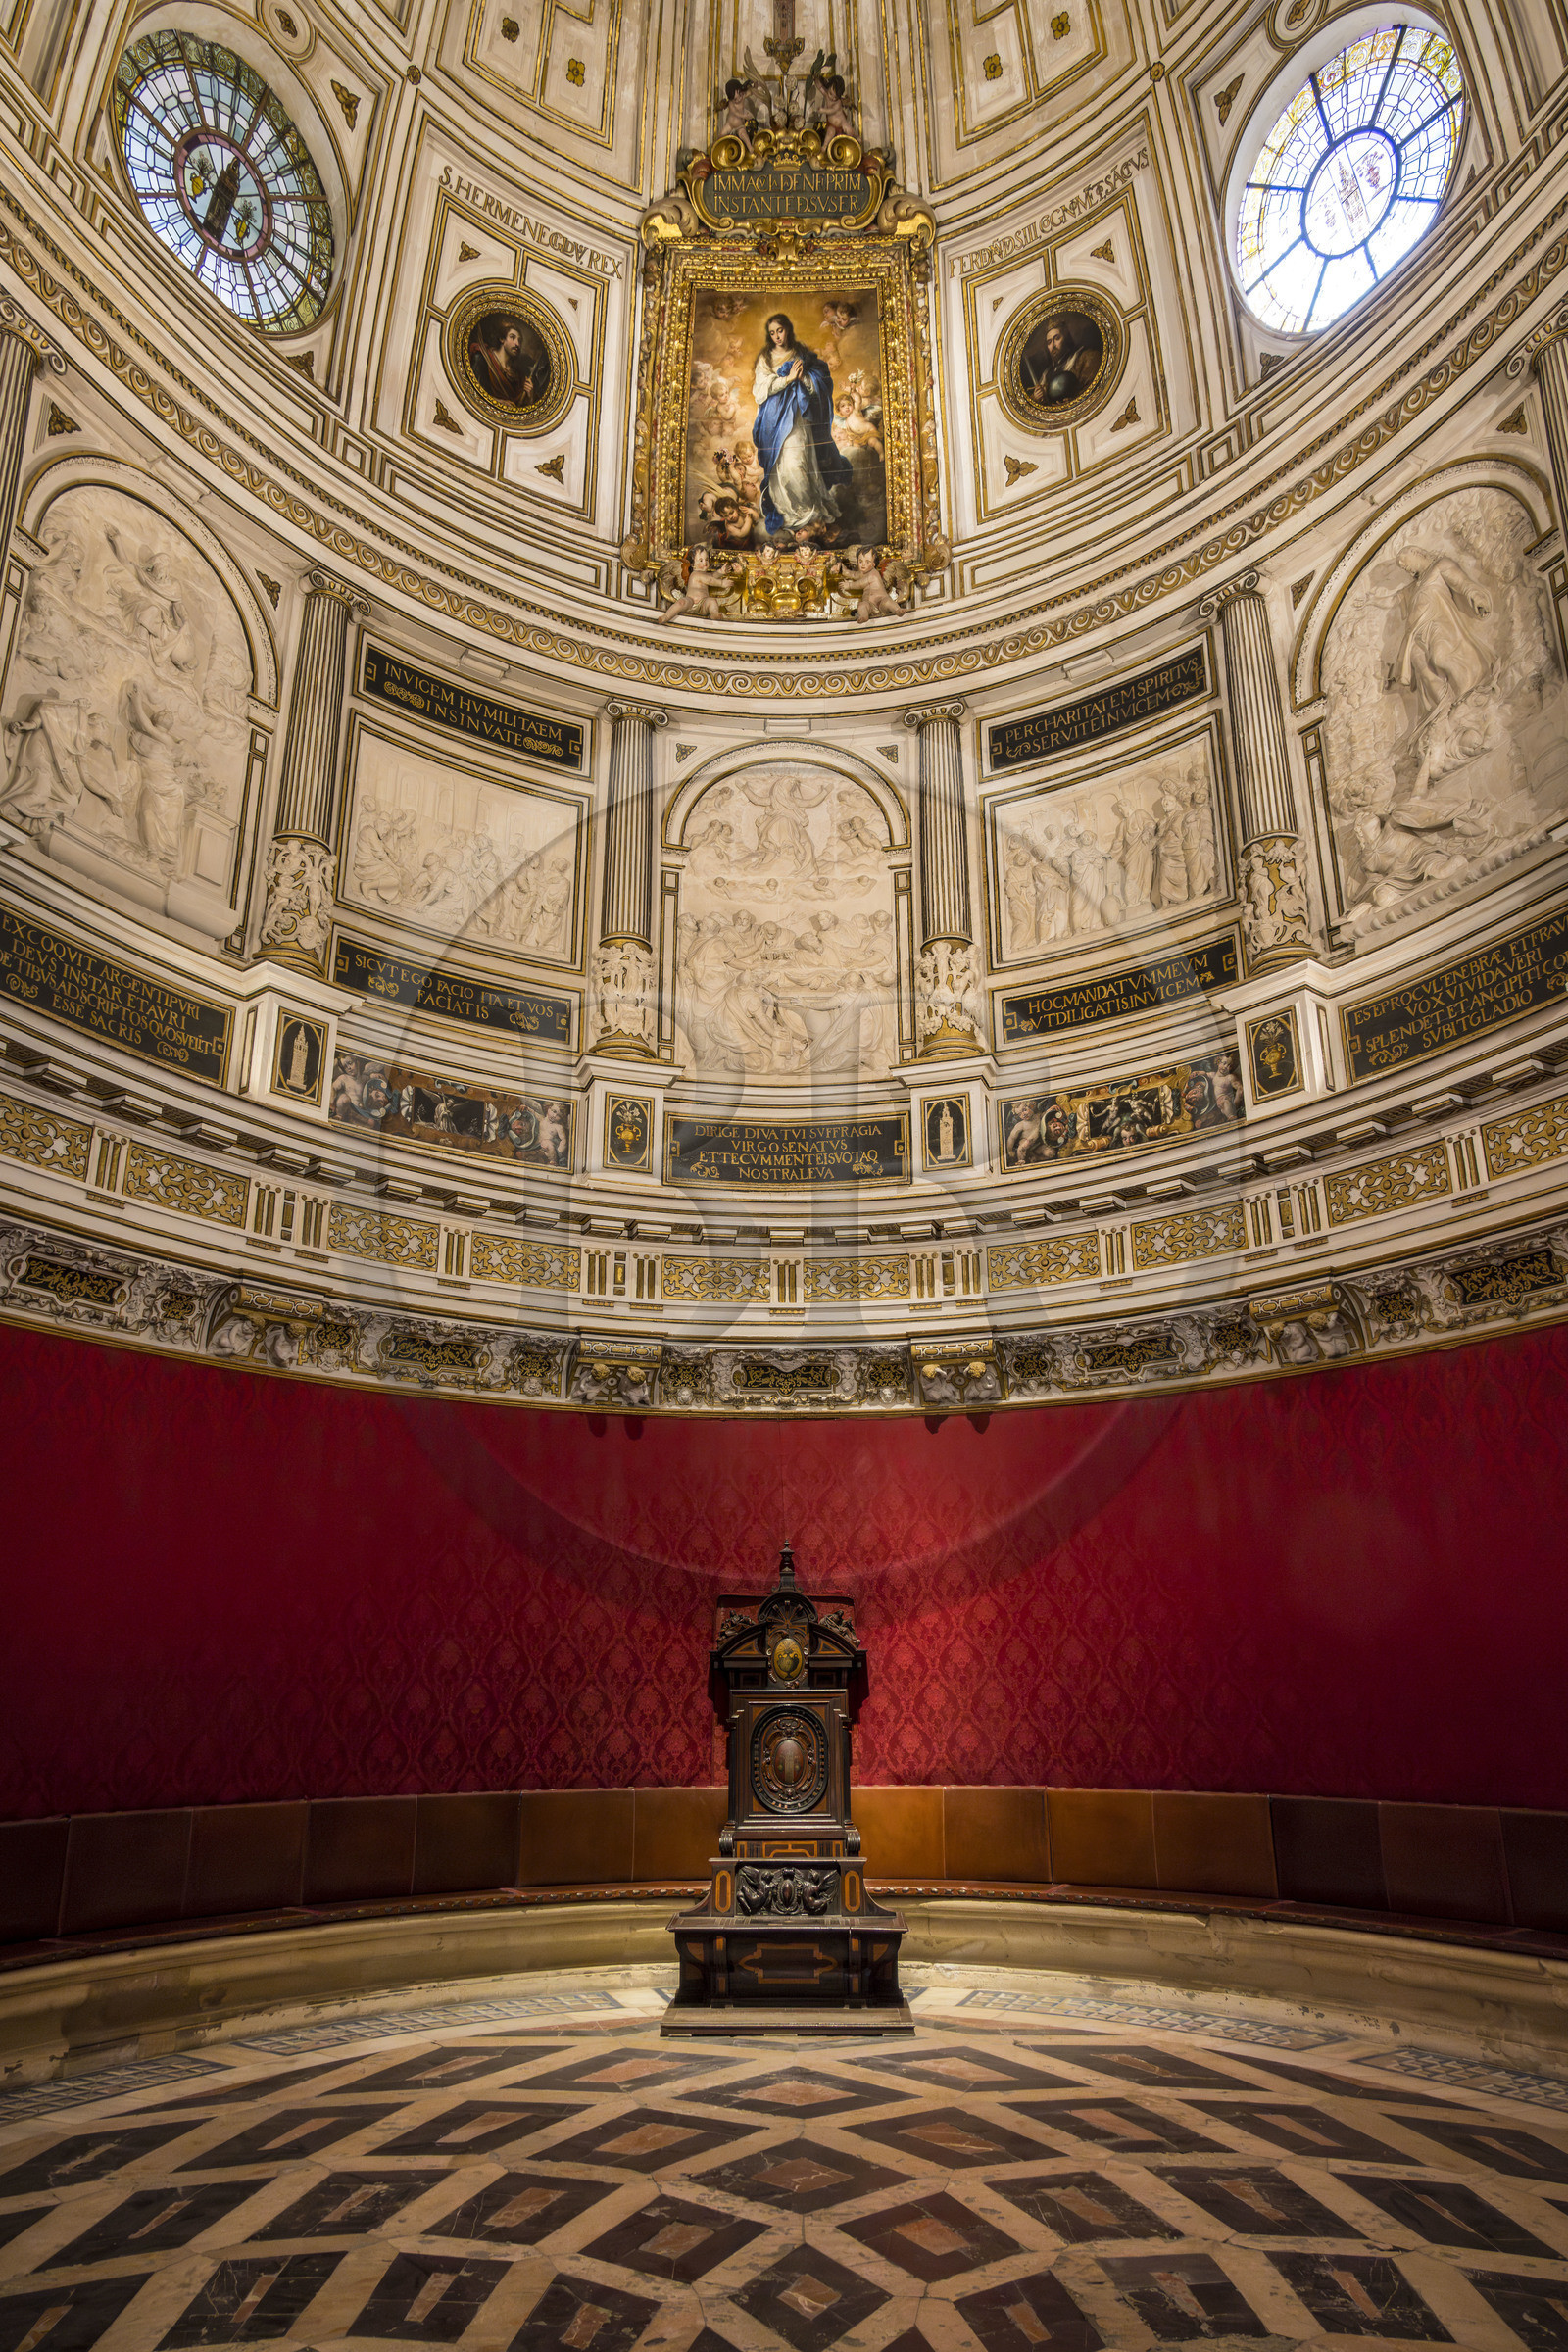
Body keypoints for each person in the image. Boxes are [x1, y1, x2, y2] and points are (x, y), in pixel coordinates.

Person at [751, 313, 852, 541]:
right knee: (782, 465)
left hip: (798, 416)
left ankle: (807, 514)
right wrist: (787, 380)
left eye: (780, 330)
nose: (777, 336)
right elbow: (760, 389)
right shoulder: (765, 358)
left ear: (788, 329)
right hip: (775, 419)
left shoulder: (800, 353)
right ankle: (789, 514)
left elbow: (819, 380)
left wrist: (803, 378)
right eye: (773, 333)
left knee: (799, 463)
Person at [1024, 315, 1102, 405]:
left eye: (1057, 338)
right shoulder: (1047, 374)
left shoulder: (1086, 357)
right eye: (1049, 342)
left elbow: (1095, 389)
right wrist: (1036, 397)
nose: (1053, 345)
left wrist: (1074, 400)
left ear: (1066, 338)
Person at [469, 317, 546, 408]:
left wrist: (530, 397)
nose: (517, 344)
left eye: (519, 340)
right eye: (512, 337)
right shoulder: (482, 359)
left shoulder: (518, 376)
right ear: (502, 339)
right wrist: (497, 402)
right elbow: (473, 393)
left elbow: (520, 408)